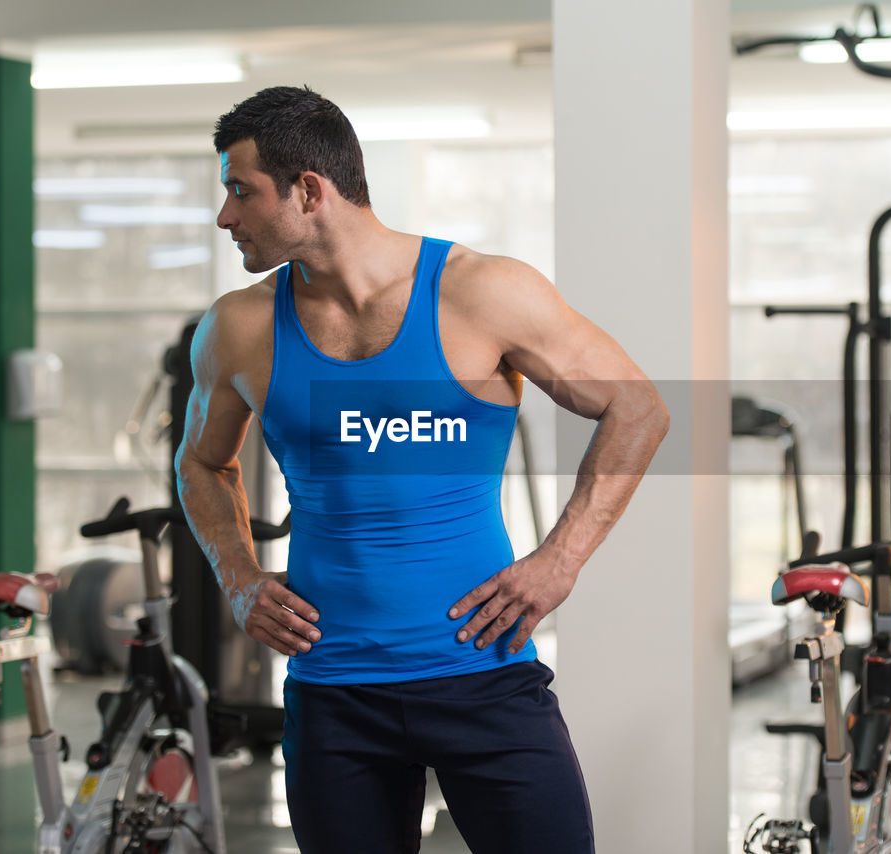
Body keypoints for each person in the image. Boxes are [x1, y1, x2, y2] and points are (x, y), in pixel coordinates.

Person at [175, 85, 669, 854]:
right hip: (333, 694)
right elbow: (202, 464)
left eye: (241, 191)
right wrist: (239, 578)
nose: (225, 216)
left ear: (310, 191)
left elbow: (639, 409)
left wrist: (559, 562)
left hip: (485, 680)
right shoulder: (238, 328)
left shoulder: (482, 292)